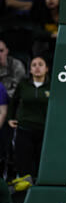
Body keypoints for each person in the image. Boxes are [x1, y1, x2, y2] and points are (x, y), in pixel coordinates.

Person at [6, 56, 50, 184]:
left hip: (44, 131)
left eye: (40, 64)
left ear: (46, 68)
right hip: (24, 129)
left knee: (40, 162)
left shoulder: (52, 86)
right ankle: (23, 190)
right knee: (23, 161)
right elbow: (13, 102)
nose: (37, 67)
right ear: (30, 70)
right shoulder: (23, 85)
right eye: (34, 65)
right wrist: (10, 118)